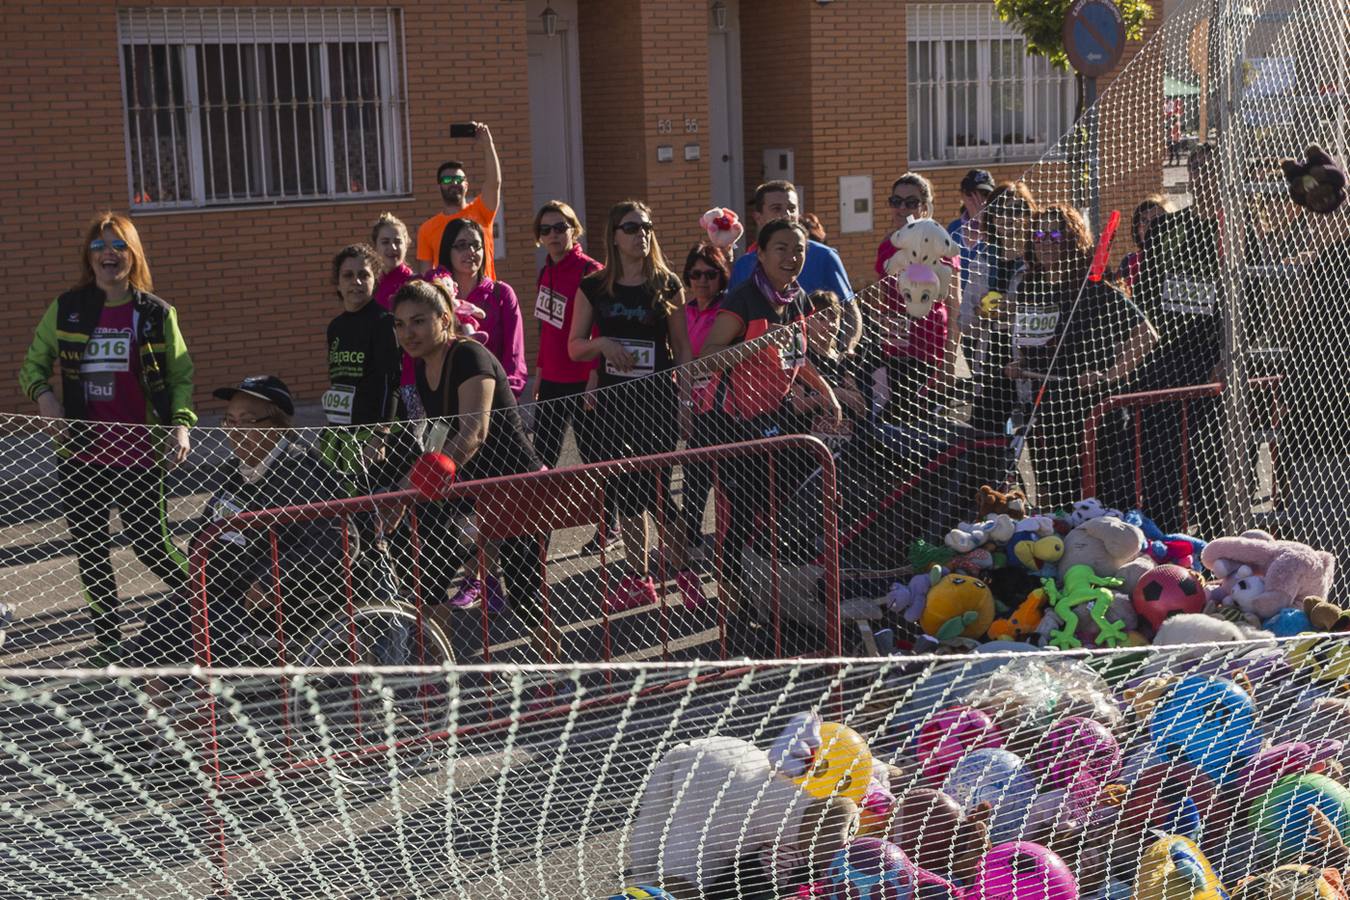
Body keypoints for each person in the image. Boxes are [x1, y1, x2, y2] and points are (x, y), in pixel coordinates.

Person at [19, 211, 196, 663]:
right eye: (99, 246)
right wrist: (44, 397)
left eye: (118, 245)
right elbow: (32, 365)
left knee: (151, 546)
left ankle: (212, 605)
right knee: (91, 549)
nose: (108, 254)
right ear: (88, 256)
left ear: (133, 254)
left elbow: (180, 376)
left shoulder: (155, 313)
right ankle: (109, 643)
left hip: (140, 453)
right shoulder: (68, 307)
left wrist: (180, 422)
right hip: (81, 454)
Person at [123, 376, 347, 665]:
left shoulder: (301, 472)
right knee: (159, 624)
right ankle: (161, 703)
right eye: (229, 421)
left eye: (247, 421)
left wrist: (270, 581)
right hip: (222, 592)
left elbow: (334, 540)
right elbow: (207, 529)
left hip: (274, 604)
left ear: (276, 426)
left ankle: (193, 704)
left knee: (198, 634)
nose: (235, 432)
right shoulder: (236, 472)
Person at [393, 279, 560, 661]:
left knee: (525, 595)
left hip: (518, 490)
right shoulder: (421, 369)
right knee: (428, 572)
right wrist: (401, 494)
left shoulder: (470, 356)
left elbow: (473, 434)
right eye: (400, 324)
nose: (408, 333)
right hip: (473, 491)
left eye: (418, 321)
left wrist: (415, 489)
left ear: (445, 318)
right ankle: (440, 673)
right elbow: (436, 441)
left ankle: (556, 679)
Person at [697, 217, 842, 634]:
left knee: (775, 514)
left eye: (798, 249)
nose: (791, 257)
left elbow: (797, 355)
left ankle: (767, 601)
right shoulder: (743, 300)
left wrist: (825, 390)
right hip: (731, 425)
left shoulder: (794, 299)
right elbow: (706, 358)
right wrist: (756, 344)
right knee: (741, 518)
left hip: (773, 421)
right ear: (760, 253)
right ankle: (732, 610)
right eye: (781, 248)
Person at [568, 201, 700, 611]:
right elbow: (573, 347)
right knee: (625, 493)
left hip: (656, 402)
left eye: (646, 226)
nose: (641, 234)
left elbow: (681, 348)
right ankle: (638, 577)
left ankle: (682, 570)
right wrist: (602, 344)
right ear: (613, 235)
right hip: (613, 403)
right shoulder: (594, 286)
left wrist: (685, 400)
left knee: (658, 492)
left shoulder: (666, 284)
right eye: (631, 227)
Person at [1003, 203, 1158, 510]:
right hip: (1046, 409)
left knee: (1095, 502)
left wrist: (1109, 374)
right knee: (1051, 501)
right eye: (1039, 233)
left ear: (1071, 238)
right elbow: (1029, 339)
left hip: (1092, 413)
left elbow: (1146, 335)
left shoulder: (1093, 286)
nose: (1045, 241)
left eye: (1054, 233)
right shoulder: (1030, 287)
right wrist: (1020, 364)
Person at [1129, 148, 1225, 533]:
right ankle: (1163, 540)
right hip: (1164, 362)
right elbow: (1144, 297)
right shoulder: (1169, 228)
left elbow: (1252, 303)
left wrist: (1225, 359)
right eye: (1200, 170)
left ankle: (1219, 541)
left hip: (1211, 363)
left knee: (1209, 463)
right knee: (1161, 462)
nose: (1207, 179)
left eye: (1215, 170)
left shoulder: (1234, 229)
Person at [529, 200, 618, 554]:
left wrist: (595, 376)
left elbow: (600, 326)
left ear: (574, 229)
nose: (553, 235)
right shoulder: (545, 271)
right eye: (546, 229)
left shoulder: (591, 271)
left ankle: (607, 526)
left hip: (583, 378)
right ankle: (536, 534)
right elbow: (546, 326)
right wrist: (539, 371)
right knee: (542, 459)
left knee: (593, 456)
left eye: (560, 227)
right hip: (551, 377)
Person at [728, 181, 861, 351]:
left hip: (819, 362)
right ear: (758, 217)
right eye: (776, 208)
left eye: (792, 208)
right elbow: (730, 325)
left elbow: (850, 309)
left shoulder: (825, 256)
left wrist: (845, 350)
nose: (786, 215)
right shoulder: (744, 265)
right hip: (761, 367)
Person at [872, 173, 961, 422]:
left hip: (929, 350)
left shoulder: (939, 241)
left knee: (921, 425)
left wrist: (950, 362)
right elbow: (884, 297)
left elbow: (955, 302)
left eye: (911, 202)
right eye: (896, 201)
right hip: (895, 348)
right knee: (895, 424)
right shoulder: (888, 246)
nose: (902, 208)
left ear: (925, 207)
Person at [319, 244, 404, 495]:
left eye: (363, 275)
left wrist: (381, 434)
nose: (356, 281)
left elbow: (391, 382)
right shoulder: (335, 327)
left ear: (374, 279)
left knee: (376, 507)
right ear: (337, 283)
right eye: (348, 275)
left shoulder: (383, 322)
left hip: (374, 437)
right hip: (342, 436)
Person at [967, 181, 1037, 435]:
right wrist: (981, 314)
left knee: (1036, 446)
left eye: (1018, 210)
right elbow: (964, 323)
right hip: (992, 365)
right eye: (1002, 211)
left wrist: (1015, 309)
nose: (1010, 218)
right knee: (983, 446)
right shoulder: (983, 259)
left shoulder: (1039, 259)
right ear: (992, 218)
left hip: (1031, 366)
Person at [677, 241, 731, 552]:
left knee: (724, 480)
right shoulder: (682, 312)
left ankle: (726, 539)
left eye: (710, 274)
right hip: (691, 404)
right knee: (693, 479)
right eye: (695, 274)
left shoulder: (727, 310)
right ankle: (691, 536)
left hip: (721, 406)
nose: (702, 281)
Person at [438, 218, 526, 397]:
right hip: (449, 398)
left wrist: (507, 394)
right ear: (448, 250)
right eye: (461, 245)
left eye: (476, 245)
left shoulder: (502, 294)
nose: (470, 251)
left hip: (497, 398)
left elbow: (515, 353)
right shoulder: (436, 295)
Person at [415, 122, 501, 277]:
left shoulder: (482, 211)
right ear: (439, 186)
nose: (453, 183)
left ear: (467, 185)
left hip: (485, 297)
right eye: (447, 180)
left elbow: (494, 183)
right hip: (451, 300)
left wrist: (488, 145)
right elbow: (426, 276)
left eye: (458, 179)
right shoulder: (427, 230)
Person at [947, 168, 996, 296]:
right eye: (970, 194)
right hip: (957, 306)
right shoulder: (953, 229)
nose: (977, 201)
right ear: (962, 195)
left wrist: (984, 223)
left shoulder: (998, 228)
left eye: (984, 195)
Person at [1117, 196, 1171, 290]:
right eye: (1144, 220)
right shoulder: (1129, 262)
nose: (1149, 226)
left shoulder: (1176, 260)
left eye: (1156, 220)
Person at [371, 212, 416, 310]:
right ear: (375, 246)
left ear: (406, 245)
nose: (392, 247)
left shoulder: (413, 284)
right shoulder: (371, 282)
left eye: (397, 242)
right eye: (385, 242)